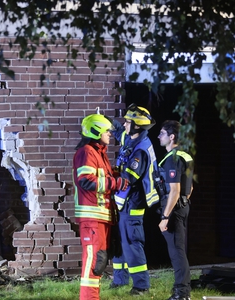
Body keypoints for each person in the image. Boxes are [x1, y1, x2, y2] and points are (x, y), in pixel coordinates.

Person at [72, 112, 130, 300]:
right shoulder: (87, 152)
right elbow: (86, 181)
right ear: (96, 131)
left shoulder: (98, 153)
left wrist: (115, 173)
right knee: (93, 262)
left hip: (101, 217)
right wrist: (116, 183)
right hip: (92, 218)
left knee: (99, 261)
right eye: (107, 130)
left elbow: (101, 176)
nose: (110, 134)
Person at [109, 104, 160, 295]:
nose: (125, 124)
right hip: (123, 203)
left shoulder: (140, 150)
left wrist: (106, 179)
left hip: (133, 204)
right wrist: (110, 123)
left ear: (137, 126)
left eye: (128, 122)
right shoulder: (132, 139)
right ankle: (119, 280)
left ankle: (141, 285)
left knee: (132, 243)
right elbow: (120, 133)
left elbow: (127, 179)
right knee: (120, 241)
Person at [157, 120, 194, 300]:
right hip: (183, 206)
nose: (159, 136)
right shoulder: (186, 156)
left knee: (176, 251)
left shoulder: (172, 158)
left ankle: (182, 292)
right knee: (178, 249)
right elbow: (190, 187)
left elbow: (175, 190)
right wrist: (183, 202)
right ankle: (181, 290)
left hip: (173, 209)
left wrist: (165, 216)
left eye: (162, 133)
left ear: (171, 137)